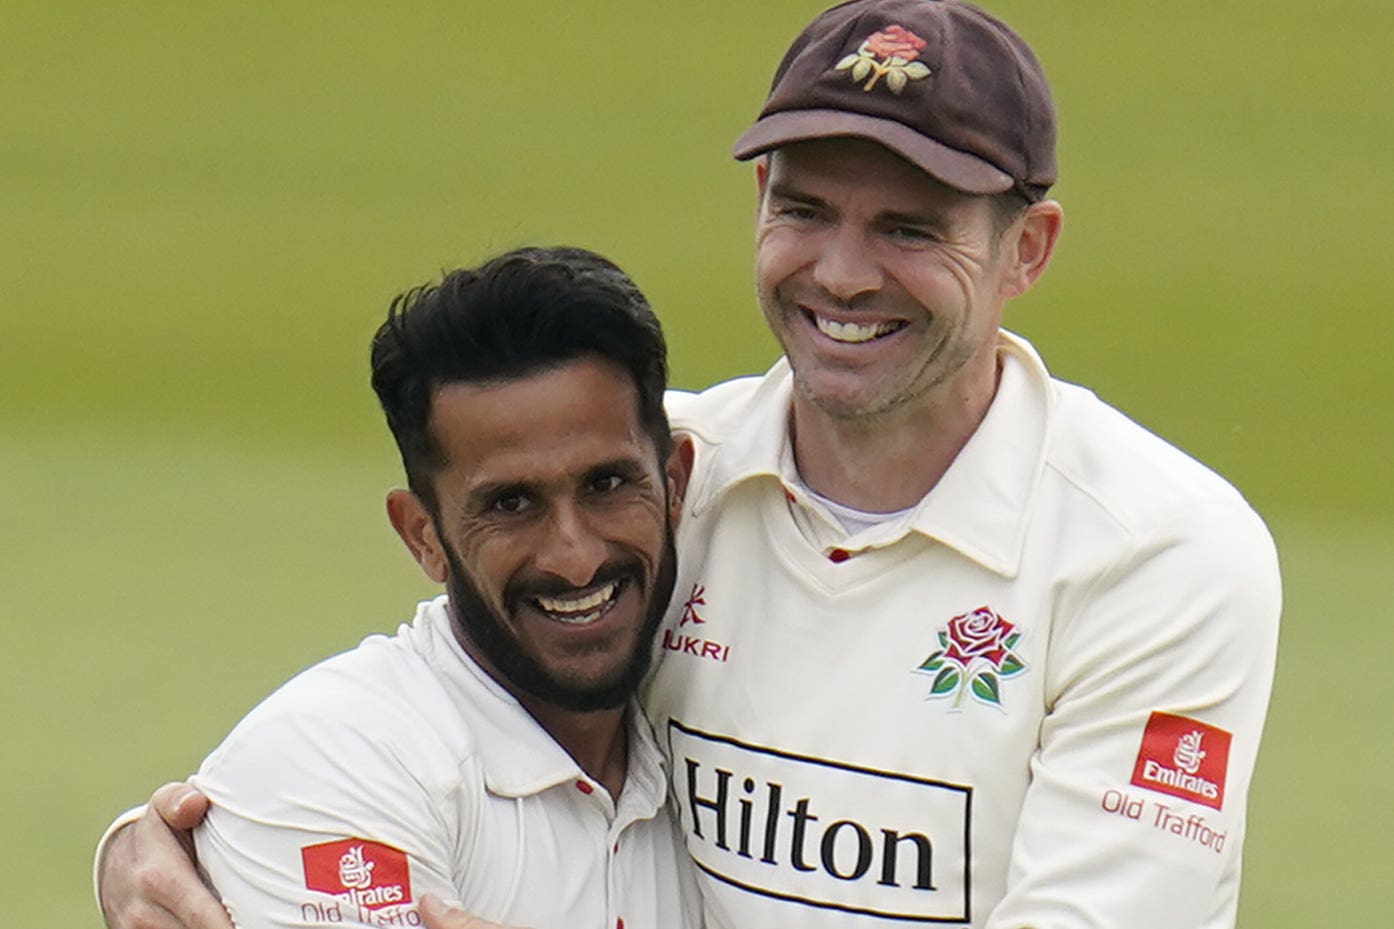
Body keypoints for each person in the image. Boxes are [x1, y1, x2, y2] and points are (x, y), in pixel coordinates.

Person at [97, 1, 1281, 927]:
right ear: (757, 200)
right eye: (806, 209)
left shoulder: (1154, 553)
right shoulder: (657, 472)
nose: (842, 274)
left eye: (909, 229)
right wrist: (197, 840)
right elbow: (440, 682)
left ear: (1027, 247)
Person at [99, 246, 703, 929]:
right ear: (422, 534)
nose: (575, 556)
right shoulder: (331, 758)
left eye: (607, 484)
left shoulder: (716, 715)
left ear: (675, 483)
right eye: (510, 504)